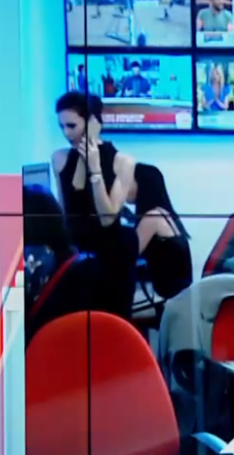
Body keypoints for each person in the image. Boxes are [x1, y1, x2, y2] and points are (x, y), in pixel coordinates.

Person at [51, 91, 138, 318]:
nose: (66, 133)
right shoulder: (59, 159)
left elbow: (107, 218)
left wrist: (95, 168)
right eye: (61, 127)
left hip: (111, 258)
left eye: (72, 126)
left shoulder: (123, 162)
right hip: (75, 257)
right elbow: (66, 212)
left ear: (92, 123)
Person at [131, 163, 193, 300]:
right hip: (180, 295)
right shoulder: (163, 213)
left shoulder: (152, 217)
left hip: (172, 298)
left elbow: (127, 255)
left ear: (141, 185)